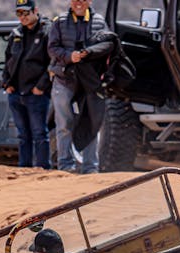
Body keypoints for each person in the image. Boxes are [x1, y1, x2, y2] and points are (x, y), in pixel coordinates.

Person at [47, 0, 112, 174]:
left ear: (89, 1)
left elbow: (107, 45)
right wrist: (70, 56)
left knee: (91, 122)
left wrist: (89, 53)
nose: (79, 3)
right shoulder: (59, 21)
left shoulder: (99, 21)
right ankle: (66, 166)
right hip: (63, 80)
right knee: (64, 124)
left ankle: (90, 167)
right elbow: (52, 48)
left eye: (83, 0)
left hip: (88, 83)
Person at [2, 0, 51, 169]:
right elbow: (8, 60)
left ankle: (43, 169)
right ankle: (24, 169)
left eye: (25, 12)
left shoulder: (46, 32)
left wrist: (41, 87)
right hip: (16, 92)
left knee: (39, 134)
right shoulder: (16, 33)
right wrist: (6, 83)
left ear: (35, 11)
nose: (22, 17)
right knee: (23, 135)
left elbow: (52, 64)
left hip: (36, 93)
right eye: (19, 13)